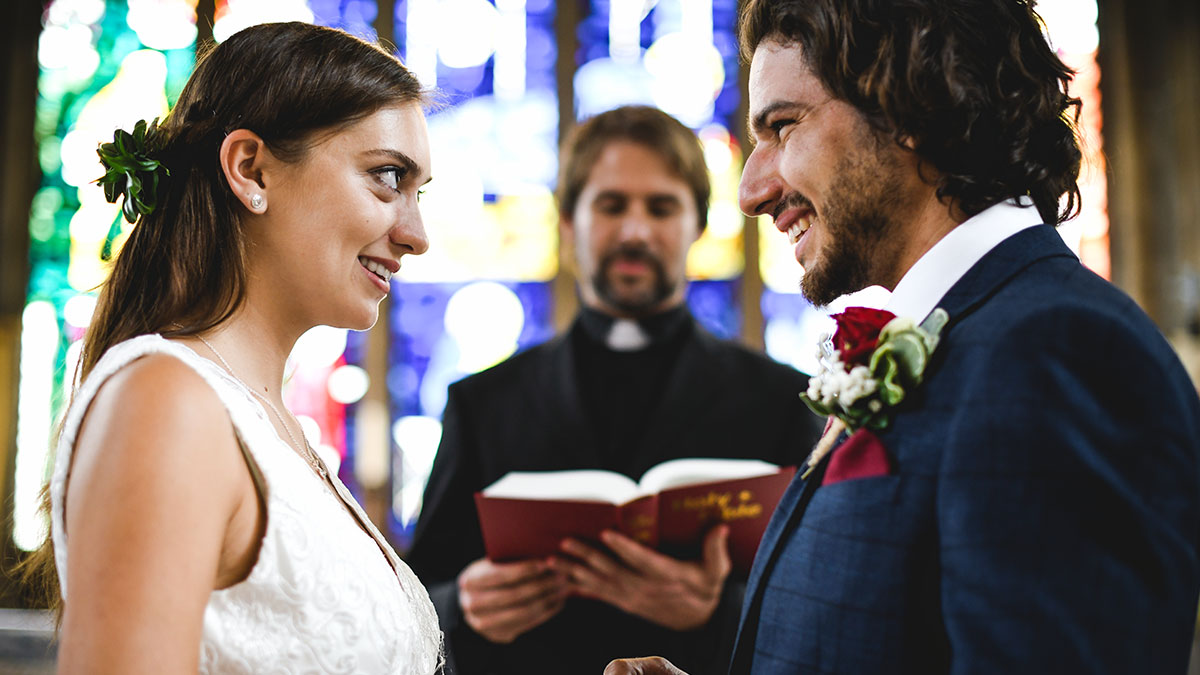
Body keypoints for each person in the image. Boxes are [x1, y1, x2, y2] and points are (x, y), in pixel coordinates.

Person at [608, 0, 1200, 673]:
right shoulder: (968, 334)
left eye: (782, 126)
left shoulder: (1059, 353)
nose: (750, 190)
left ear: (912, 104)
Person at [34, 22, 442, 673]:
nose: (416, 234)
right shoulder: (165, 401)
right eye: (387, 177)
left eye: (419, 193)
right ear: (251, 169)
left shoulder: (270, 420)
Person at [405, 105, 825, 674]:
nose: (634, 230)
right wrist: (465, 606)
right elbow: (412, 600)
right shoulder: (484, 403)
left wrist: (718, 608)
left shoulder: (783, 400)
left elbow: (822, 608)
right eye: (611, 205)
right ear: (569, 221)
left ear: (697, 224)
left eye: (660, 207)